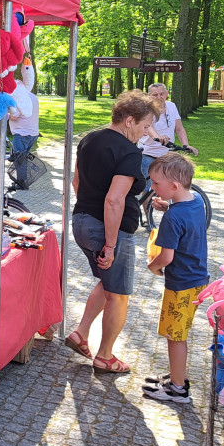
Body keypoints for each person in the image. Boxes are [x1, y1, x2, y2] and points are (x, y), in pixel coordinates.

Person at [65, 89, 156, 375]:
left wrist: (87, 212)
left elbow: (76, 181)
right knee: (119, 293)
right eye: (144, 126)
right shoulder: (127, 151)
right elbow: (114, 200)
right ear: (129, 120)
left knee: (106, 282)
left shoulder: (90, 138)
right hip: (108, 228)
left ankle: (79, 333)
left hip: (82, 221)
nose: (145, 133)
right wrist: (112, 243)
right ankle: (105, 357)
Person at [143, 153, 209, 404]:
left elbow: (166, 258)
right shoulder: (195, 203)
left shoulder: (172, 218)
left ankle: (178, 389)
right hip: (196, 279)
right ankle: (176, 376)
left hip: (181, 284)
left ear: (174, 186)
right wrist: (168, 207)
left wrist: (152, 266)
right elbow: (183, 218)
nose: (152, 188)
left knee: (175, 336)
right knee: (178, 333)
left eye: (156, 183)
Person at [138, 82, 197, 178]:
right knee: (148, 187)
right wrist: (157, 137)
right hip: (148, 153)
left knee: (167, 186)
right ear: (149, 96)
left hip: (167, 155)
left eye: (161, 94)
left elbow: (179, 128)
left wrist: (186, 145)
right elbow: (148, 127)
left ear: (166, 94)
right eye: (155, 95)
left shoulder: (171, 106)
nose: (159, 97)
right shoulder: (147, 109)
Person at [8, 59, 40, 189]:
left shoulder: (19, 98)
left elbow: (15, 117)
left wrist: (6, 116)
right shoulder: (33, 96)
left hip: (22, 133)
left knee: (20, 160)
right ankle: (21, 180)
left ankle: (21, 183)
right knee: (23, 158)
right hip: (33, 133)